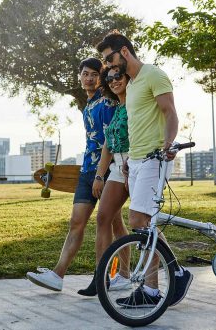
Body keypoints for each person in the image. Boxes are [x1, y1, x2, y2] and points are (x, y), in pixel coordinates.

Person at [96, 31, 193, 307]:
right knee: (144, 224)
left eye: (110, 60)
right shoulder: (134, 84)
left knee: (139, 222)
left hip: (155, 158)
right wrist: (128, 161)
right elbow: (137, 125)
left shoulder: (152, 75)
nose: (109, 68)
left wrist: (168, 144)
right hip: (136, 161)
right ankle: (163, 282)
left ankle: (167, 278)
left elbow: (170, 112)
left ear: (124, 52)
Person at [27, 57, 122, 293]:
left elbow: (111, 142)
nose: (89, 78)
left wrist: (102, 174)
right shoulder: (88, 106)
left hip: (107, 171)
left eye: (94, 74)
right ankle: (58, 275)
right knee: (77, 222)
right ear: (79, 77)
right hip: (87, 170)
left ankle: (108, 277)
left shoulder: (108, 104)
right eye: (85, 74)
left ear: (101, 78)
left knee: (111, 222)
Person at [78, 65, 131, 296]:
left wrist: (130, 167)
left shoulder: (121, 105)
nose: (113, 81)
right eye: (109, 78)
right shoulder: (116, 106)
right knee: (105, 220)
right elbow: (110, 143)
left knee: (141, 221)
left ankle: (174, 270)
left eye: (118, 76)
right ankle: (102, 278)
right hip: (113, 167)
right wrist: (99, 175)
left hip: (133, 165)